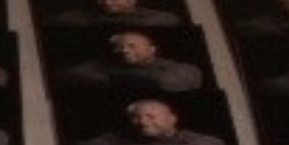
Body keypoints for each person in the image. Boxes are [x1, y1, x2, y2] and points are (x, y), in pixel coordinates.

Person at [66, 98, 227, 145]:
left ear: (172, 119)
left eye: (151, 116)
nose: (142, 122)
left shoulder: (205, 141)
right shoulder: (118, 136)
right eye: (136, 117)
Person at [53, 31, 203, 94]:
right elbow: (64, 74)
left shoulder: (178, 68)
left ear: (152, 49)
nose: (124, 50)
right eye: (119, 47)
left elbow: (164, 84)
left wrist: (112, 79)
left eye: (132, 46)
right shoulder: (102, 64)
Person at [44, 0, 182, 28]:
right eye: (102, 0)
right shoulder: (83, 15)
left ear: (132, 1)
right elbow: (59, 19)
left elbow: (170, 19)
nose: (107, 2)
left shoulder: (156, 17)